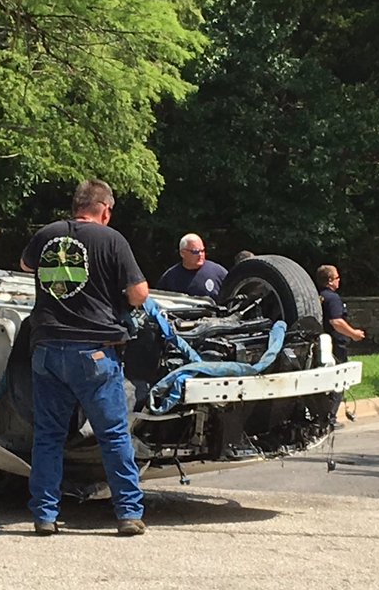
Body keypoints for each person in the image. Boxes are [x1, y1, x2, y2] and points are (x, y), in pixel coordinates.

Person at [19, 178, 149, 536]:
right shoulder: (112, 240)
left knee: (48, 437)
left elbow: (26, 265)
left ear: (76, 205)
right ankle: (128, 514)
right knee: (114, 435)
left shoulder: (47, 234)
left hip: (47, 348)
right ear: (104, 209)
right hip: (94, 352)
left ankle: (45, 516)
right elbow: (139, 293)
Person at [316, 264, 366, 423]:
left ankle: (320, 416)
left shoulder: (317, 296)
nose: (339, 280)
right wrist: (354, 334)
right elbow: (336, 321)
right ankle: (330, 418)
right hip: (335, 346)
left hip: (320, 345)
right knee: (338, 380)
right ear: (330, 280)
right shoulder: (333, 298)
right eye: (337, 277)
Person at [156, 233, 228, 299]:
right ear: (182, 253)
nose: (200, 255)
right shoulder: (170, 277)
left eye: (202, 251)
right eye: (195, 252)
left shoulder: (219, 272)